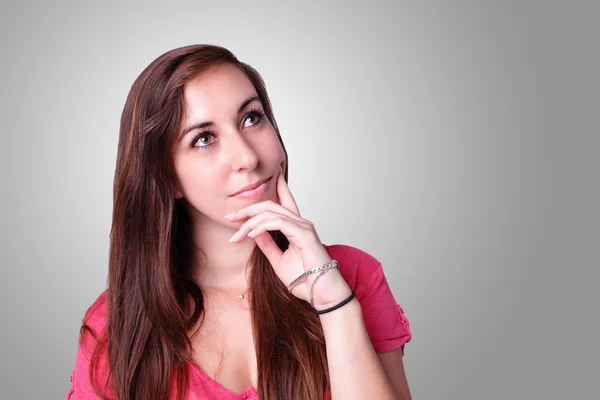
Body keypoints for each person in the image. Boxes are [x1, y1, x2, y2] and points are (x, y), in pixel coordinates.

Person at [67, 44, 412, 400]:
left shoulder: (351, 277)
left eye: (252, 118)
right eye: (203, 139)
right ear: (165, 177)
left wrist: (334, 305)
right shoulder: (115, 327)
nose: (247, 156)